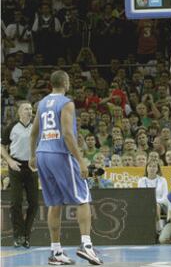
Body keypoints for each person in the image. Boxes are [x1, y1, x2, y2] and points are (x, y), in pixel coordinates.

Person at [29, 70, 103, 265]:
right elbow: (68, 135)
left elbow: (33, 132)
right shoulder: (66, 103)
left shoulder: (42, 103)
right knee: (83, 198)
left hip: (42, 153)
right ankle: (86, 246)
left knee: (55, 203)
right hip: (60, 154)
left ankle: (56, 251)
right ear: (66, 83)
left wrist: (31, 156)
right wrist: (80, 160)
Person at [1, 101, 39, 248]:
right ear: (19, 112)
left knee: (34, 203)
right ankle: (18, 235)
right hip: (16, 166)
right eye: (26, 109)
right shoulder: (11, 127)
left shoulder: (36, 127)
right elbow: (1, 146)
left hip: (32, 166)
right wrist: (9, 161)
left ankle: (26, 235)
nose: (29, 111)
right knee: (15, 203)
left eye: (30, 109)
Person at [138, 159, 169, 232]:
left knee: (156, 206)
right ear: (146, 168)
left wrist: (153, 201)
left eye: (154, 166)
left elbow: (165, 198)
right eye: (150, 166)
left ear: (158, 169)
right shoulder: (141, 181)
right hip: (145, 204)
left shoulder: (162, 180)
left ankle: (158, 229)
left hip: (161, 205)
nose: (152, 168)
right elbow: (140, 197)